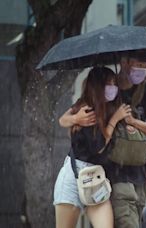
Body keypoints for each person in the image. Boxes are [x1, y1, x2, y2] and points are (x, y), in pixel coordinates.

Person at [59, 53, 146, 228]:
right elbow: (64, 119)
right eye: (139, 64)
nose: (142, 70)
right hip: (113, 173)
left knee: (133, 220)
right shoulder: (103, 92)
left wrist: (134, 123)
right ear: (125, 62)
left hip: (140, 172)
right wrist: (77, 119)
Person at [54, 67, 131, 228]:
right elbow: (98, 146)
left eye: (114, 84)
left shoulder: (111, 108)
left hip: (97, 177)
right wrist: (76, 118)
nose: (113, 88)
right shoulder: (86, 109)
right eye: (108, 84)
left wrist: (127, 123)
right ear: (98, 86)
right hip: (73, 176)